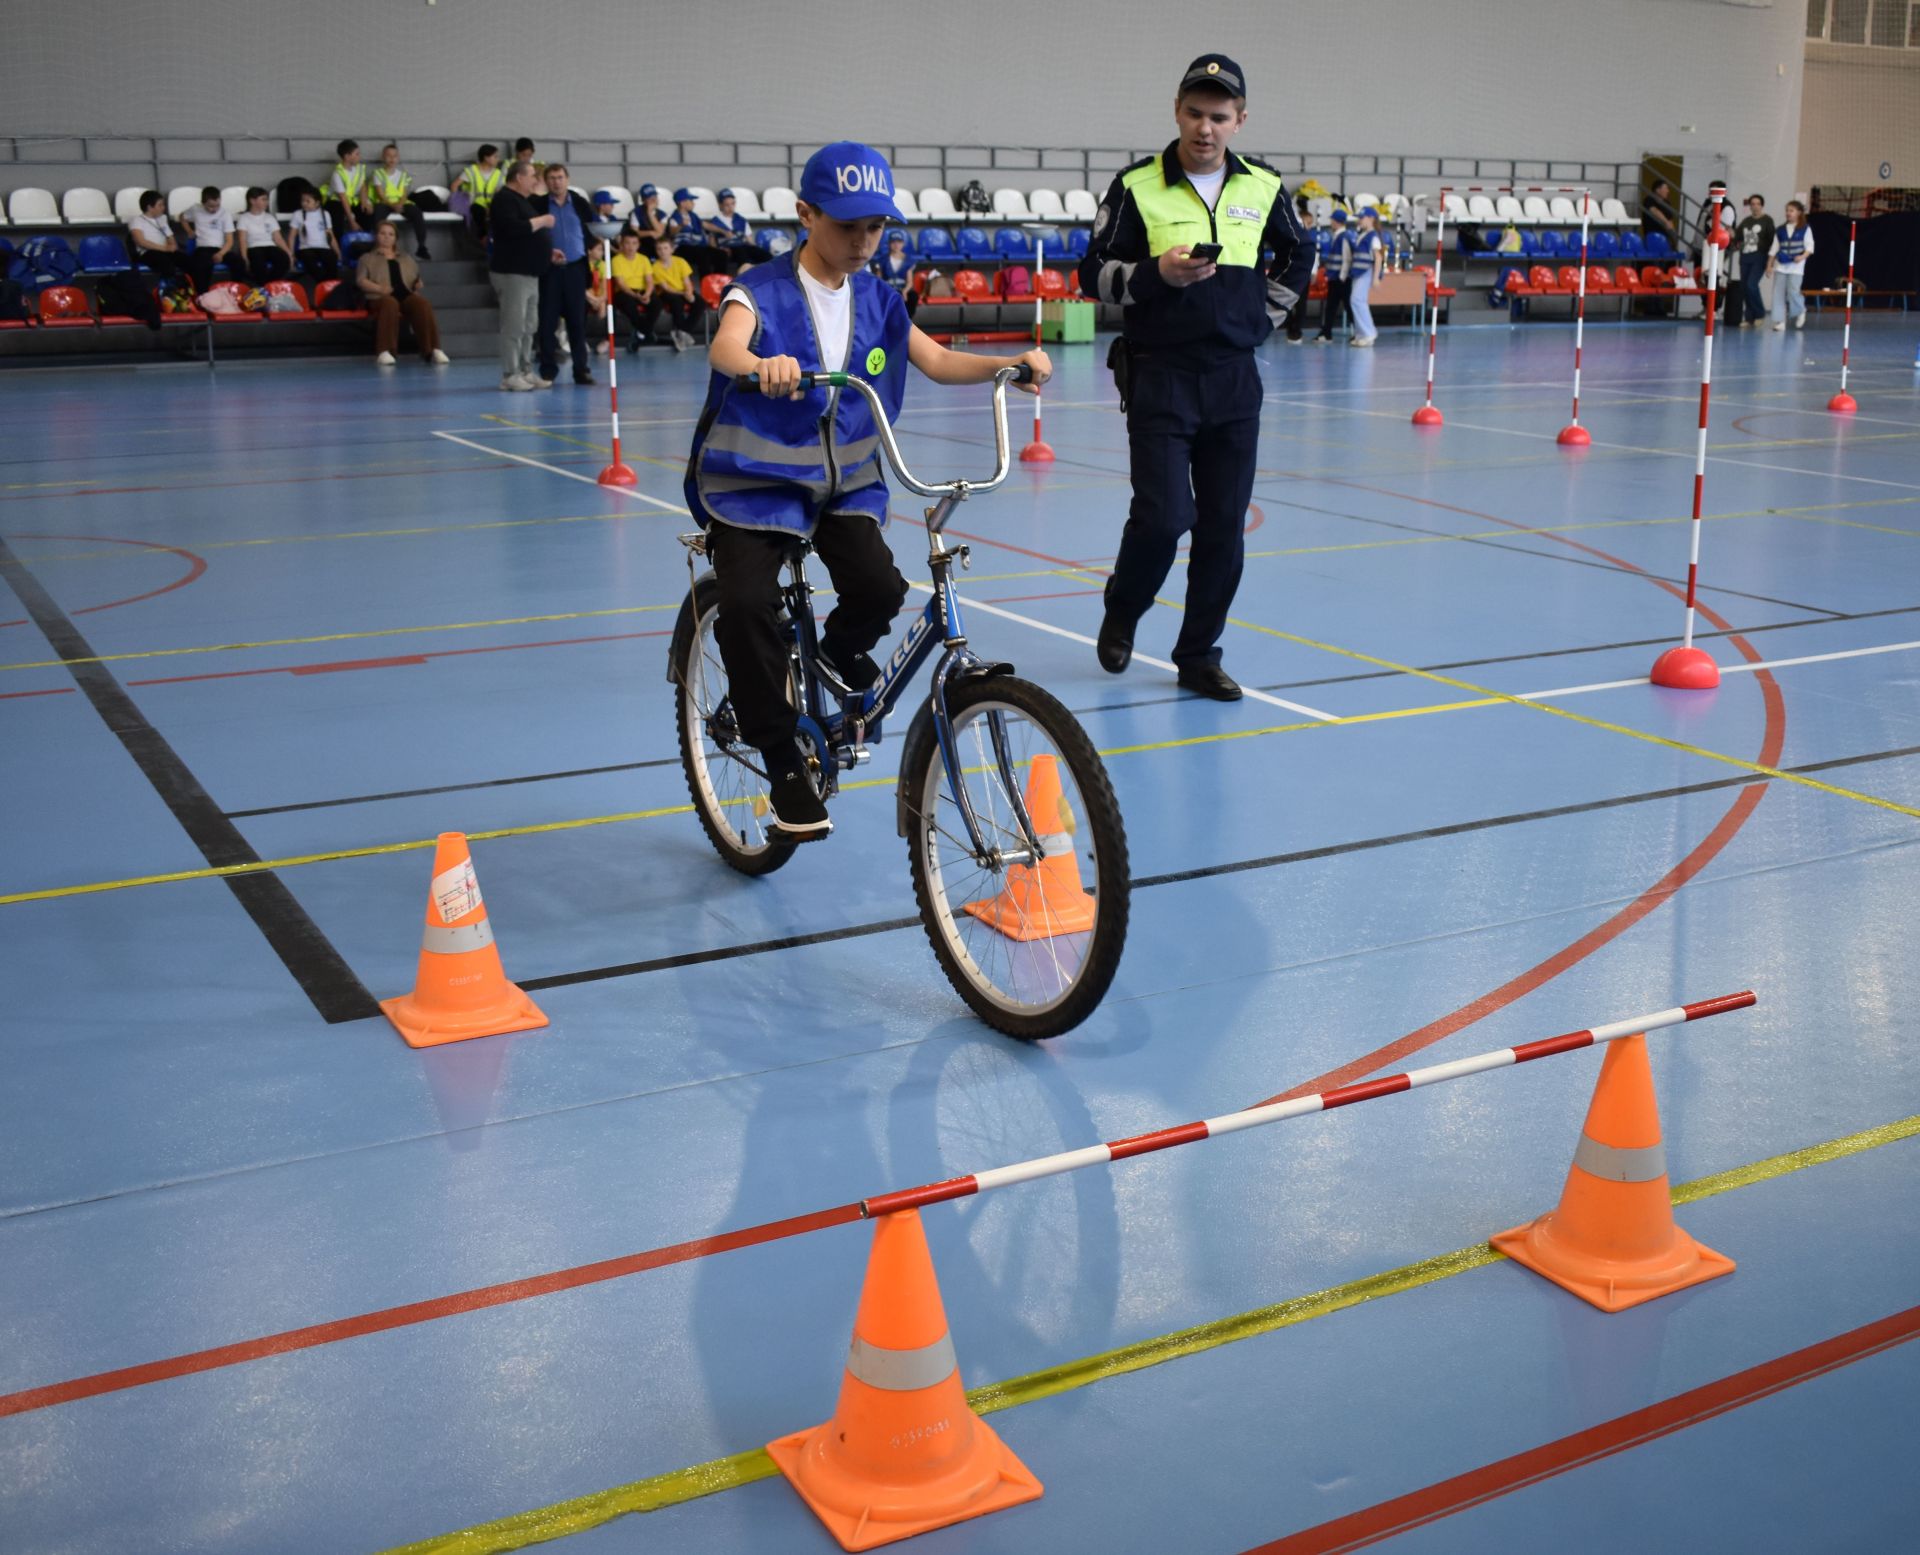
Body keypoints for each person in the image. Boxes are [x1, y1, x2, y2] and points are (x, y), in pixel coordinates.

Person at [685, 141, 1050, 838]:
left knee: (881, 588)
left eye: (874, 228)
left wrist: (1009, 365)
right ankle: (781, 759)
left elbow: (936, 358)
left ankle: (831, 650)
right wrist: (762, 363)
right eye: (846, 225)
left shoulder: (881, 299)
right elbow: (724, 346)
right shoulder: (759, 289)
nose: (861, 241)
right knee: (747, 604)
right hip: (755, 488)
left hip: (842, 483)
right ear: (805, 215)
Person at [1078, 52, 1311, 701]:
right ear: (1177, 112)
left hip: (1234, 379)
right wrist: (1158, 275)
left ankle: (1199, 653)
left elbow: (1299, 252)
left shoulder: (1264, 187)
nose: (1205, 127)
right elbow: (1089, 273)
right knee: (1163, 517)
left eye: (1219, 115)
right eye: (1194, 113)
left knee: (1223, 527)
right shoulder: (1135, 186)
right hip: (1161, 375)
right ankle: (1124, 608)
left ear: (1239, 120)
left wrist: (1260, 318)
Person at [489, 160, 555, 390]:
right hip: (512, 273)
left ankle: (525, 369)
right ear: (518, 177)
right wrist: (543, 220)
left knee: (529, 326)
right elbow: (513, 229)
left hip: (530, 272)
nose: (536, 181)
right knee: (513, 325)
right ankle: (510, 374)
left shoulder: (522, 201)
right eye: (531, 176)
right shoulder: (504, 199)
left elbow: (528, 236)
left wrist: (547, 252)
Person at [532, 163, 598, 387]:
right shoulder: (538, 204)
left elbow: (591, 228)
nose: (556, 182)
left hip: (576, 268)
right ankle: (548, 369)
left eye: (559, 177)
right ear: (545, 181)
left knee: (577, 323)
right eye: (551, 178)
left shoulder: (579, 203)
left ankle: (581, 370)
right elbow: (532, 235)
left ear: (567, 179)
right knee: (548, 322)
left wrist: (586, 249)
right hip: (549, 271)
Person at [355, 220, 448, 366]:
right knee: (390, 303)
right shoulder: (367, 258)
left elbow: (414, 277)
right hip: (379, 297)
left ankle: (432, 350)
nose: (387, 237)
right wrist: (379, 289)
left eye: (391, 234)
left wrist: (418, 283)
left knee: (422, 304)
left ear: (395, 238)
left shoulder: (406, 258)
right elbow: (361, 280)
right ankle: (385, 351)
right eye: (383, 233)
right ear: (377, 236)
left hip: (405, 295)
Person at [369, 143, 430, 260]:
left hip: (400, 203)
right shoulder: (378, 174)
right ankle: (377, 247)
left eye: (395, 156)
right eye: (388, 156)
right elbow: (380, 194)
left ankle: (422, 247)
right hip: (385, 203)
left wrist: (400, 204)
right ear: (383, 157)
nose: (392, 158)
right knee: (378, 214)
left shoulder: (403, 175)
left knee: (417, 213)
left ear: (398, 158)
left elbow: (404, 193)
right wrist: (393, 205)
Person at [643, 235, 701, 350]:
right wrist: (684, 294)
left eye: (665, 248)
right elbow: (666, 288)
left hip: (683, 290)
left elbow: (687, 281)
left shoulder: (680, 261)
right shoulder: (655, 267)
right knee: (676, 302)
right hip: (667, 293)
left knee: (700, 303)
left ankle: (682, 331)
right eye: (659, 249)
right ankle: (680, 331)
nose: (662, 251)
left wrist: (689, 292)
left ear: (672, 249)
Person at [1769, 199, 1814, 331]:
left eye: (1791, 210)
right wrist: (1769, 265)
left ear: (1799, 213)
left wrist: (1802, 257)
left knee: (1793, 292)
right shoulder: (1780, 230)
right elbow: (1774, 248)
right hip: (1781, 266)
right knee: (1778, 293)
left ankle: (1800, 310)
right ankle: (1779, 321)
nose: (1788, 213)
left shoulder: (1805, 229)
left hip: (1796, 267)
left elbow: (1810, 248)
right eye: (1787, 210)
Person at [1731, 194, 1775, 328]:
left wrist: (1770, 262)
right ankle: (1749, 317)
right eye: (1753, 204)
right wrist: (1733, 238)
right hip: (1745, 257)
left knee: (1751, 285)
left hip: (1759, 257)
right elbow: (1737, 238)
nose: (1755, 206)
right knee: (1745, 287)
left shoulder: (1767, 220)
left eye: (1757, 204)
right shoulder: (1746, 221)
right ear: (1750, 206)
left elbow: (1773, 241)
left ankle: (1759, 313)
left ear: (1762, 205)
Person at [178, 186, 233, 294]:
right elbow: (182, 217)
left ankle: (235, 291)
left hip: (221, 249)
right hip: (203, 248)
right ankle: (202, 295)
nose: (214, 209)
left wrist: (221, 253)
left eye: (217, 205)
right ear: (203, 203)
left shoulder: (225, 213)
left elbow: (229, 240)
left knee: (238, 262)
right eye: (211, 206)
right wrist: (189, 231)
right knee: (203, 265)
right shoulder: (195, 209)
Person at [607, 228, 655, 349]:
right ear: (621, 245)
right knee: (628, 304)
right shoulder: (616, 260)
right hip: (624, 292)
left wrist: (648, 294)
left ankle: (641, 333)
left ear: (638, 245)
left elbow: (650, 280)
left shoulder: (644, 259)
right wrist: (636, 296)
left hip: (642, 290)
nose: (630, 247)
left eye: (634, 243)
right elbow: (621, 284)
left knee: (657, 304)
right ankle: (647, 333)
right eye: (627, 243)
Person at [126, 189, 186, 283]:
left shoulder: (162, 219)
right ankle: (169, 290)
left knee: (187, 261)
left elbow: (170, 237)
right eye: (160, 205)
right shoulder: (136, 221)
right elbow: (141, 242)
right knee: (166, 264)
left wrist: (173, 245)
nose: (163, 208)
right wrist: (165, 248)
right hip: (148, 252)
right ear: (150, 207)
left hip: (165, 251)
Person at [234, 187, 291, 285]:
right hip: (253, 247)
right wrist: (244, 257)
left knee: (283, 260)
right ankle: (264, 286)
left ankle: (267, 285)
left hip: (269, 246)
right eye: (263, 199)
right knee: (259, 264)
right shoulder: (244, 218)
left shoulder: (269, 217)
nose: (267, 202)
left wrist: (289, 253)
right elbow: (243, 240)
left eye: (267, 199)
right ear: (252, 201)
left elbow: (278, 238)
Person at [704, 189, 772, 270]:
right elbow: (712, 243)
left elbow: (749, 240)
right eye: (727, 205)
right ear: (721, 205)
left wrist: (756, 248)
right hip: (728, 248)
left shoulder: (741, 220)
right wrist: (719, 249)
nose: (730, 207)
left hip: (742, 246)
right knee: (741, 254)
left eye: (732, 204)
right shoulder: (715, 221)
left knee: (766, 255)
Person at [668, 188, 728, 277]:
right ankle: (706, 284)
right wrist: (681, 225)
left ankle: (718, 282)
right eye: (691, 200)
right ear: (682, 203)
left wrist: (723, 231)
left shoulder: (693, 215)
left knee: (721, 254)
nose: (693, 203)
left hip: (698, 247)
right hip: (682, 249)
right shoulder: (675, 217)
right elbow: (672, 232)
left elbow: (706, 225)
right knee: (703, 255)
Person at [1347, 206, 1385, 347]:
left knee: (1357, 300)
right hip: (1358, 272)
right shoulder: (1363, 234)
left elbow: (1378, 258)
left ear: (1371, 219)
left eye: (1362, 218)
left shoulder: (1373, 236)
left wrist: (1375, 278)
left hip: (1365, 271)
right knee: (1357, 301)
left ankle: (1368, 333)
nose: (1359, 220)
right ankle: (1362, 333)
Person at [1315, 207, 1353, 343]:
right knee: (1332, 306)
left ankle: (1359, 332)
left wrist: (1342, 277)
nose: (1330, 222)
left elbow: (1347, 259)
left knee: (1348, 306)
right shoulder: (1337, 237)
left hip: (1340, 279)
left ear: (1337, 221)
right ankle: (1326, 333)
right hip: (1335, 278)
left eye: (1332, 220)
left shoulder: (1343, 238)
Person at [288, 187, 340, 282]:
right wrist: (291, 254)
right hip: (305, 249)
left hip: (323, 247)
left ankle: (331, 284)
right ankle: (322, 283)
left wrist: (338, 251)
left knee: (331, 258)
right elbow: (292, 236)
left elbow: (330, 235)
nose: (304, 203)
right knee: (309, 259)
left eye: (308, 201)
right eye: (303, 200)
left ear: (317, 202)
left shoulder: (325, 214)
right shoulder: (298, 214)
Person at [453, 144, 504, 237]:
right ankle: (483, 239)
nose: (498, 159)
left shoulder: (498, 174)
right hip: (473, 205)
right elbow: (454, 186)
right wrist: (459, 204)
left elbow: (500, 192)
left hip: (492, 205)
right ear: (486, 158)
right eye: (495, 156)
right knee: (478, 212)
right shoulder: (472, 170)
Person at [326, 139, 372, 239]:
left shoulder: (359, 169)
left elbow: (363, 185)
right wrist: (352, 222)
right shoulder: (337, 174)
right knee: (337, 216)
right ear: (347, 156)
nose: (359, 156)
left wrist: (365, 202)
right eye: (357, 154)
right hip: (337, 202)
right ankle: (339, 248)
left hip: (351, 202)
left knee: (367, 213)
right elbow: (343, 198)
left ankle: (366, 245)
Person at [1285, 195, 1315, 343]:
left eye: (1310, 222)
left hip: (1306, 274)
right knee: (1289, 302)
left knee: (1301, 304)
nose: (1308, 224)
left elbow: (1314, 257)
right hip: (1292, 273)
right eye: (1306, 221)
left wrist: (1314, 272)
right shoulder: (1294, 235)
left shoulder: (1311, 237)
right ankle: (1290, 327)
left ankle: (1297, 331)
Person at [876, 231, 918, 317]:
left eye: (899, 242)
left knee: (913, 296)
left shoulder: (908, 260)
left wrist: (905, 291)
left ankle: (907, 321)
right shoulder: (882, 260)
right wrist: (886, 290)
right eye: (893, 242)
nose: (896, 245)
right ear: (889, 244)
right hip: (888, 288)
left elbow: (910, 282)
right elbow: (878, 280)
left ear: (903, 244)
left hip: (902, 288)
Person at [627, 183, 669, 248]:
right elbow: (634, 233)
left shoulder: (662, 214)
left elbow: (660, 232)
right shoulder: (636, 212)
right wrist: (650, 233)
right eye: (650, 198)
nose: (654, 200)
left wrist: (650, 213)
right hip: (642, 243)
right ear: (643, 200)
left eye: (655, 197)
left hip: (659, 244)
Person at [1641, 178, 1678, 247]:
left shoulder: (1667, 203)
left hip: (1666, 237)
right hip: (1652, 236)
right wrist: (1666, 222)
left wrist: (1673, 234)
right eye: (1665, 188)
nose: (1668, 191)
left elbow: (1670, 221)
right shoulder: (1649, 199)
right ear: (1658, 190)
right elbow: (1654, 210)